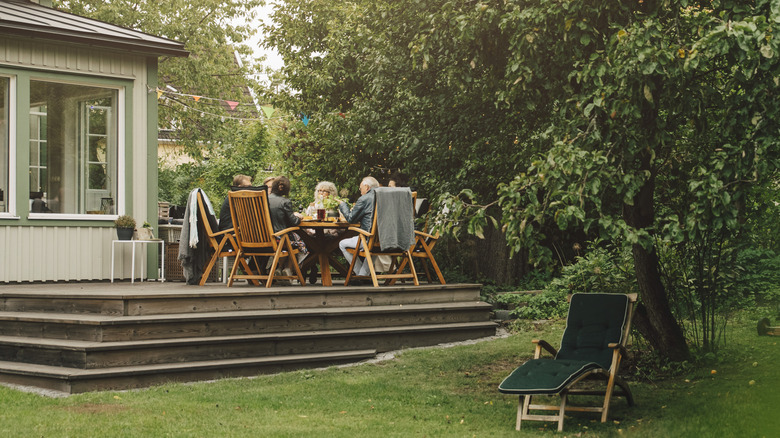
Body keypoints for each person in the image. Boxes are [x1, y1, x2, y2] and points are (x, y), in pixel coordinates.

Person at [338, 176, 380, 280]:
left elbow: (351, 219)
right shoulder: (386, 198)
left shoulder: (364, 199)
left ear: (366, 187)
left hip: (368, 238)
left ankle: (360, 275)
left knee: (342, 244)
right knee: (376, 245)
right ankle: (363, 275)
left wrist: (343, 205)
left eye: (360, 188)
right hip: (388, 240)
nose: (360, 191)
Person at [268, 176, 307, 280]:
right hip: (278, 239)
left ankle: (279, 268)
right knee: (297, 243)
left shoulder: (263, 200)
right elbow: (294, 222)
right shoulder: (285, 201)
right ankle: (287, 271)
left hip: (262, 238)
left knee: (289, 240)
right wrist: (298, 217)